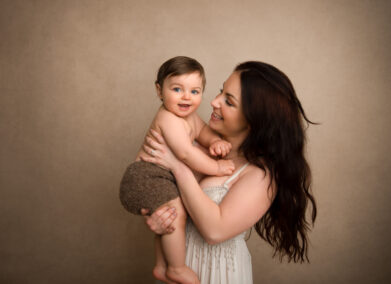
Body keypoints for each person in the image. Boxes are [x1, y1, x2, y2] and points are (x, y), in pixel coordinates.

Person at [140, 61, 317, 284]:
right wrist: (157, 221)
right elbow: (163, 195)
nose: (214, 102)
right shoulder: (197, 149)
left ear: (254, 119)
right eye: (220, 91)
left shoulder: (259, 174)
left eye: (228, 101)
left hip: (217, 274)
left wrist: (177, 166)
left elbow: (214, 231)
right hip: (178, 271)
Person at [119, 56, 235, 284]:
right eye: (177, 89)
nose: (186, 97)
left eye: (194, 91)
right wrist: (217, 166)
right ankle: (176, 267)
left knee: (169, 215)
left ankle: (162, 266)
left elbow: (203, 133)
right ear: (159, 90)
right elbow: (185, 154)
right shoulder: (168, 118)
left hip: (161, 177)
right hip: (145, 176)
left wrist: (214, 142)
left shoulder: (190, 117)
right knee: (176, 214)